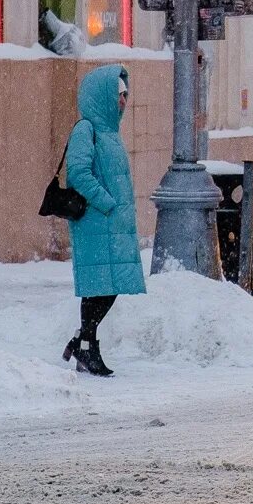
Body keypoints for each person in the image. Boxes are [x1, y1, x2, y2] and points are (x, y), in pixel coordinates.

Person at [62, 64, 145, 376]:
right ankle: (86, 347)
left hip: (113, 224)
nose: (123, 100)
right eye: (118, 94)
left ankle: (83, 343)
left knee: (108, 287)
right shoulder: (86, 129)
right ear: (102, 96)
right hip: (96, 222)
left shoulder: (111, 132)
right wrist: (107, 203)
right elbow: (79, 173)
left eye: (125, 94)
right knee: (99, 288)